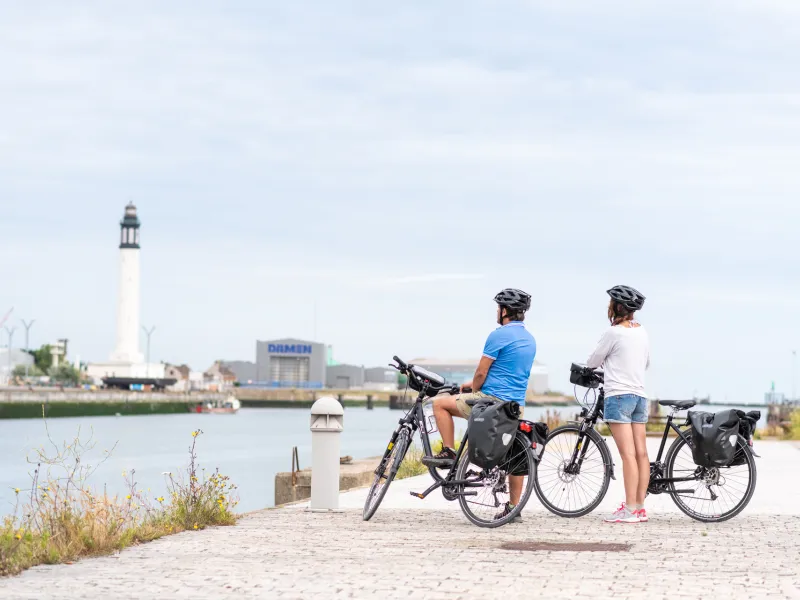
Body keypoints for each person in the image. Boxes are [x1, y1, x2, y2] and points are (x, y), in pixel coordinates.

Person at [423, 288, 536, 519]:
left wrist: (474, 387)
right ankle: (514, 508)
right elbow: (505, 371)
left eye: (498, 308)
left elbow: (482, 371)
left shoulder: (499, 335)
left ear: (505, 311)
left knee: (440, 405)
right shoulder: (529, 339)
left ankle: (449, 452)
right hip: (514, 404)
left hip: (490, 403)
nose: (497, 311)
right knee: (515, 453)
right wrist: (471, 385)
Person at [586, 285, 650, 524]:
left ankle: (630, 510)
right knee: (642, 454)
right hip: (640, 396)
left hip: (618, 396)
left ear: (618, 307)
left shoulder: (613, 333)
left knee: (628, 455)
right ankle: (640, 507)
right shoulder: (642, 331)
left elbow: (593, 361)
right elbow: (646, 362)